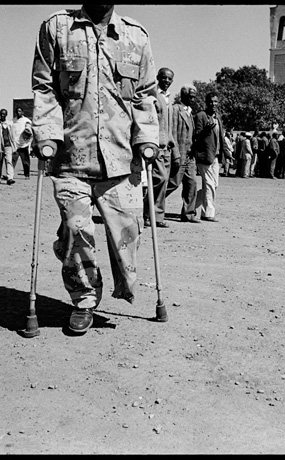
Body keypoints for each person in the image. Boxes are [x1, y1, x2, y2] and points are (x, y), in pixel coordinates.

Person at [31, 4, 159, 334]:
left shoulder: (136, 36)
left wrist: (146, 137)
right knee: (77, 228)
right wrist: (47, 134)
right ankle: (84, 298)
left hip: (120, 158)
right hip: (72, 156)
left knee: (127, 237)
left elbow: (145, 95)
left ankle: (72, 248)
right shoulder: (57, 28)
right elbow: (44, 86)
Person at [144, 67, 175, 228]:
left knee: (165, 181)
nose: (167, 81)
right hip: (155, 146)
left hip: (167, 146)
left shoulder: (168, 98)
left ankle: (157, 215)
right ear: (158, 78)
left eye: (170, 79)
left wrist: (171, 142)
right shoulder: (154, 95)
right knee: (159, 179)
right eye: (164, 78)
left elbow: (169, 124)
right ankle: (148, 213)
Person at [166, 83, 199, 222]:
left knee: (192, 184)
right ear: (183, 96)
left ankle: (189, 213)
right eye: (190, 97)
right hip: (179, 154)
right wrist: (175, 154)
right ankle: (149, 207)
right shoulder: (174, 110)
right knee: (172, 184)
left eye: (194, 97)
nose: (193, 99)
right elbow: (171, 133)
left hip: (190, 157)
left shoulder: (190, 112)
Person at [193, 91, 226, 222]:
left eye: (216, 101)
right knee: (209, 185)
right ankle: (208, 213)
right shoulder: (201, 116)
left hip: (215, 156)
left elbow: (220, 137)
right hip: (205, 156)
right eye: (211, 101)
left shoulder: (217, 117)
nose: (213, 104)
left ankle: (190, 205)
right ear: (206, 103)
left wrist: (225, 153)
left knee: (213, 185)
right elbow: (196, 136)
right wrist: (205, 130)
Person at [11, 107, 33, 179]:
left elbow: (30, 131)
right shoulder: (13, 121)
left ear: (22, 112)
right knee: (12, 161)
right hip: (15, 144)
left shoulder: (26, 120)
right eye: (17, 111)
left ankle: (27, 175)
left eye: (20, 111)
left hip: (24, 144)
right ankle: (10, 175)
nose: (18, 112)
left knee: (25, 161)